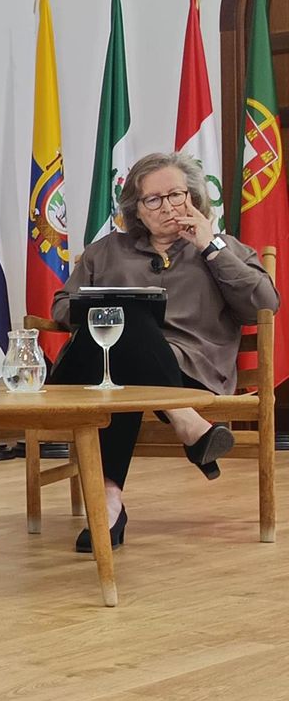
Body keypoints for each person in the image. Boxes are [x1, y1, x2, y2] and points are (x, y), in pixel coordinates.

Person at [49, 151, 279, 552]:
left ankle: (108, 502)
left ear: (193, 196)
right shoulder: (107, 251)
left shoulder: (224, 248)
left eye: (176, 195)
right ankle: (187, 423)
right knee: (124, 320)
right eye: (153, 199)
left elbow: (263, 304)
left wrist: (209, 246)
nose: (168, 207)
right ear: (136, 209)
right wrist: (107, 310)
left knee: (120, 373)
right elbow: (61, 307)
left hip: (189, 374)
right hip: (95, 368)